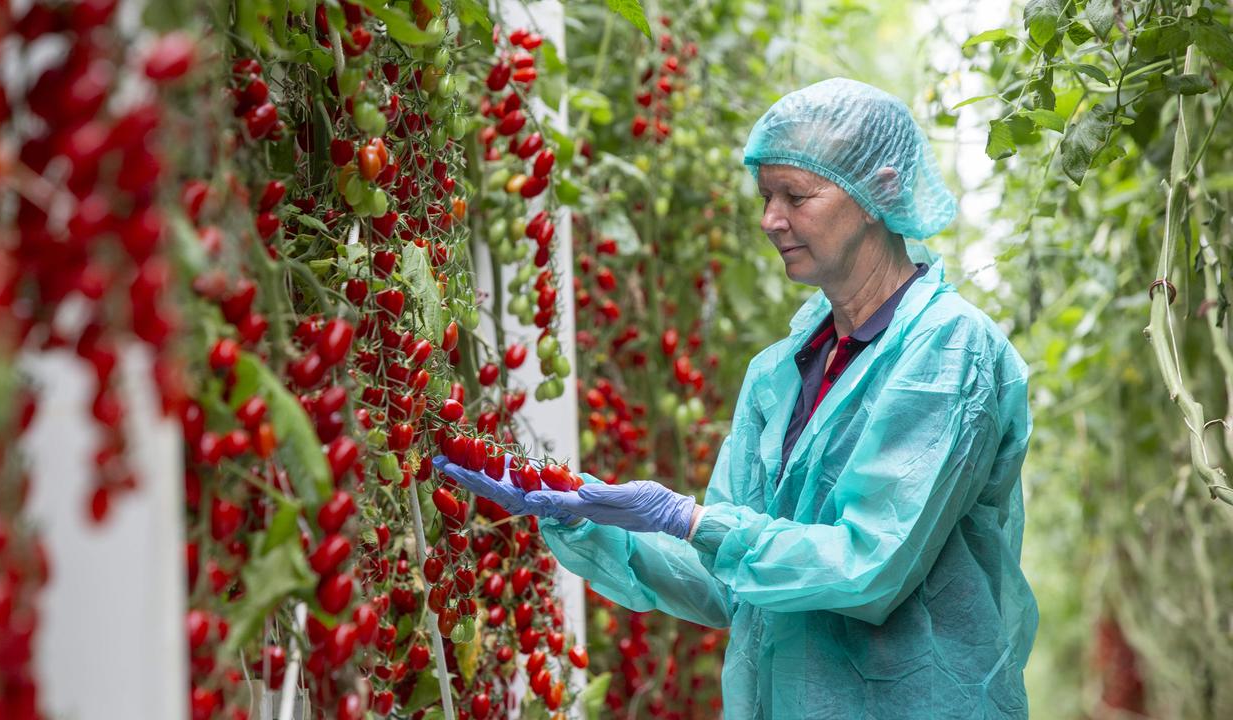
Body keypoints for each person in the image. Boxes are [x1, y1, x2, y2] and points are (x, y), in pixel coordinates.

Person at [435, 77, 1039, 719]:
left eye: (796, 196)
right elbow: (730, 584)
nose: (770, 220)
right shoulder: (782, 371)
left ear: (880, 193)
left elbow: (869, 568)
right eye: (765, 196)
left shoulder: (949, 352)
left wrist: (690, 519)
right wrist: (587, 519)